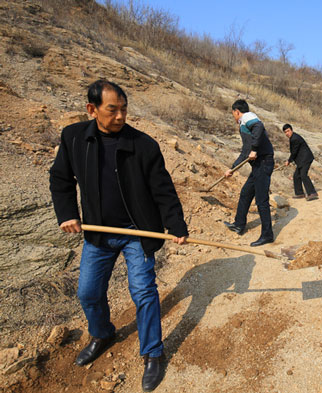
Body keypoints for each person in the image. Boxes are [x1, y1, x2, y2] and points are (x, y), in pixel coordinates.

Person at [49, 80, 188, 392]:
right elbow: (60, 179)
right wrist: (67, 213)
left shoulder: (144, 145)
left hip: (138, 232)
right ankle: (102, 333)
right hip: (98, 232)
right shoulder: (74, 138)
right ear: (92, 109)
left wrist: (176, 225)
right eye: (112, 110)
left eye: (124, 109)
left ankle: (153, 352)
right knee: (87, 292)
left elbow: (162, 189)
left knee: (143, 292)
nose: (121, 116)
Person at [223, 99, 275, 247]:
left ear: (236, 111)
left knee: (261, 201)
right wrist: (232, 169)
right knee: (246, 193)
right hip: (258, 165)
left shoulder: (247, 117)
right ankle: (239, 224)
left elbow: (259, 126)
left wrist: (255, 149)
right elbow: (245, 152)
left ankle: (267, 235)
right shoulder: (244, 125)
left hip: (264, 163)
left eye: (233, 113)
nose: (233, 116)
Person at [283, 124, 318, 201]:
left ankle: (312, 193)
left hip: (306, 158)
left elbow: (294, 152)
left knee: (303, 175)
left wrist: (289, 161)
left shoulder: (294, 138)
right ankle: (300, 193)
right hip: (301, 160)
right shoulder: (292, 138)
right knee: (296, 176)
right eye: (285, 132)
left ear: (291, 130)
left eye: (288, 131)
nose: (287, 133)